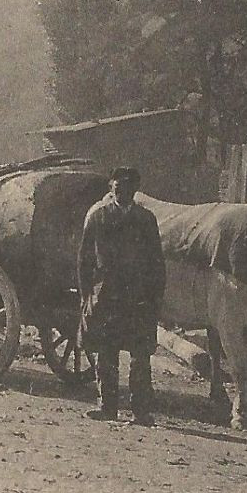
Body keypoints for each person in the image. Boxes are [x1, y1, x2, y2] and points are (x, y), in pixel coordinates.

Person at [77, 166, 166, 426]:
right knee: (107, 353)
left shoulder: (146, 220)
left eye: (128, 187)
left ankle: (141, 412)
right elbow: (84, 259)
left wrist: (155, 298)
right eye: (117, 186)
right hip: (107, 296)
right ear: (111, 188)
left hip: (137, 297)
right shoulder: (98, 217)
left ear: (135, 190)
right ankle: (107, 407)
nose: (122, 191)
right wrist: (86, 294)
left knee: (140, 357)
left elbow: (156, 262)